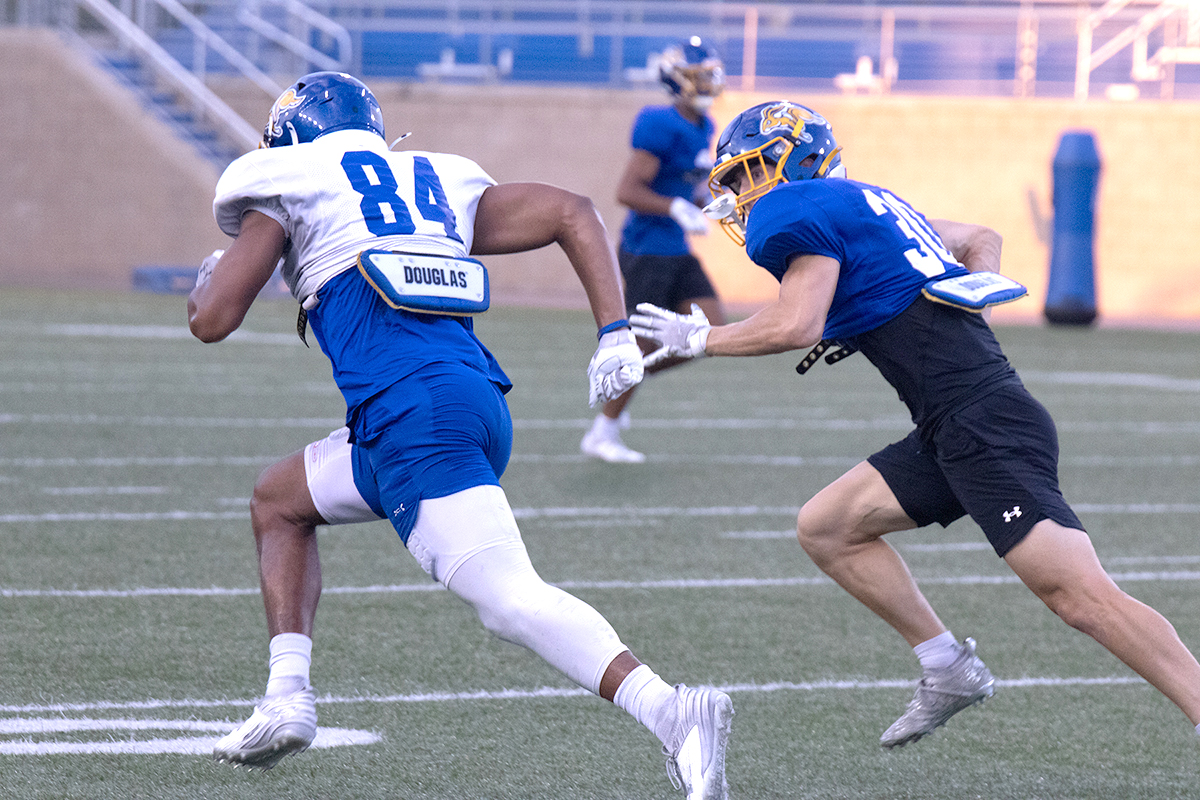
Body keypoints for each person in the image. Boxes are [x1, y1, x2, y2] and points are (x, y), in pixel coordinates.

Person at [187, 71, 733, 799]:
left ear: (289, 135)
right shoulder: (434, 180)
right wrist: (611, 335)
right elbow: (572, 211)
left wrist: (208, 278)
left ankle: (671, 711)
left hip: (412, 415)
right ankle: (287, 697)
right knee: (280, 500)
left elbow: (212, 320)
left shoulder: (289, 180)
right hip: (464, 401)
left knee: (507, 599)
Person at [630, 99, 1200, 749]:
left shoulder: (798, 209)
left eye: (747, 173)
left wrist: (698, 338)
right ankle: (946, 665)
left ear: (796, 159)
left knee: (1081, 597)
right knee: (828, 527)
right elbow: (979, 237)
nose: (739, 193)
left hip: (984, 426)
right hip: (954, 423)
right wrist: (971, 286)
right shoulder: (872, 204)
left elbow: (795, 324)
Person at [580, 36, 728, 463]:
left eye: (711, 75)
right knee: (640, 347)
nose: (709, 84)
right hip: (647, 248)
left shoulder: (704, 125)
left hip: (675, 248)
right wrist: (675, 206)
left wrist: (705, 202)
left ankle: (623, 392)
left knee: (711, 330)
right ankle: (603, 431)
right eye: (700, 77)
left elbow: (690, 183)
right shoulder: (658, 122)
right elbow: (627, 190)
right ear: (676, 79)